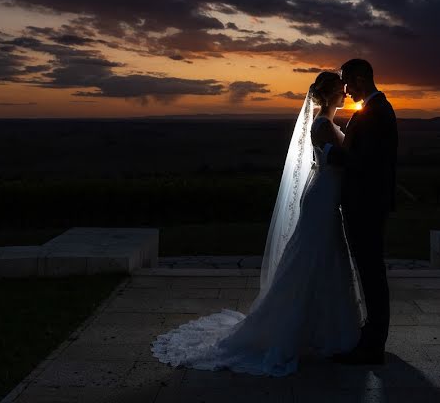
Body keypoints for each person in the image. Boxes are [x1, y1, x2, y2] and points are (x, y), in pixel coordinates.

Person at [150, 71, 366, 376]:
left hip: (326, 196)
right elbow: (343, 159)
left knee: (327, 257)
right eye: (341, 91)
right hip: (321, 198)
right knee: (312, 257)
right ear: (331, 95)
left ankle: (323, 331)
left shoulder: (327, 123)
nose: (346, 95)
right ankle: (299, 330)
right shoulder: (322, 125)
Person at [326, 59, 398, 365]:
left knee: (372, 273)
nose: (345, 89)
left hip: (367, 206)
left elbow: (365, 164)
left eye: (348, 82)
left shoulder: (377, 112)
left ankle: (373, 346)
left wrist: (330, 154)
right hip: (365, 204)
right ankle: (372, 338)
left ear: (360, 78)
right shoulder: (373, 109)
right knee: (370, 272)